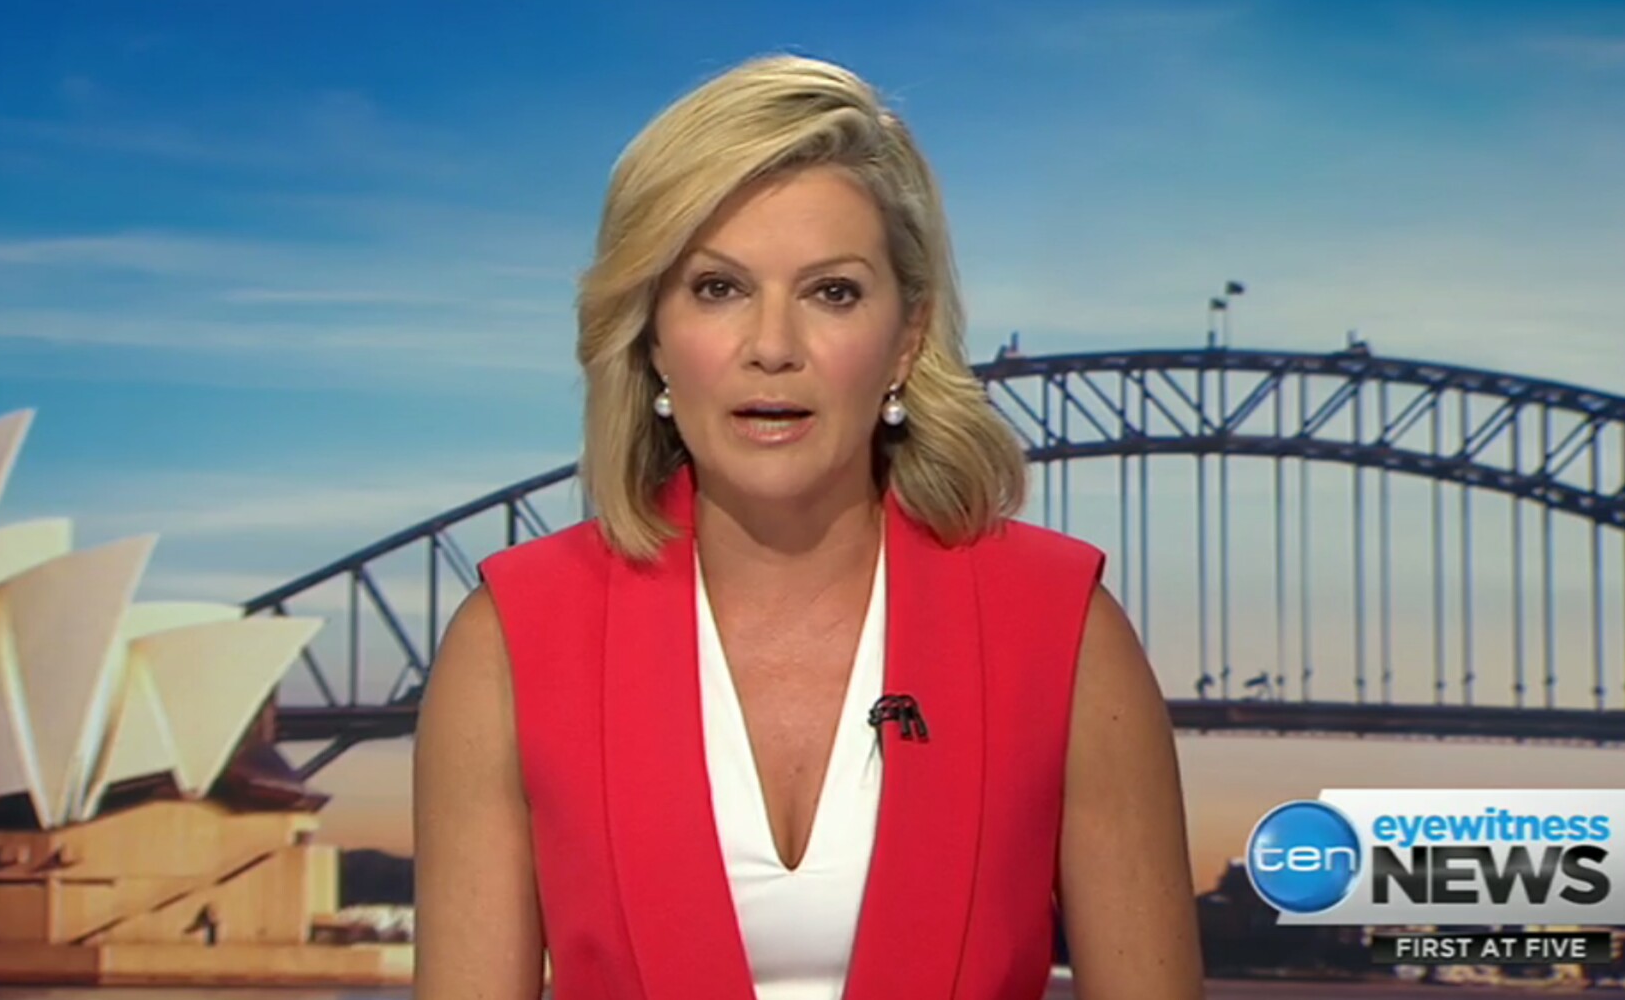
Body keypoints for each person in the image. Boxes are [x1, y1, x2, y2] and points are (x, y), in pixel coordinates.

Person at [413, 53, 1204, 999]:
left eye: (832, 292)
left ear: (906, 338)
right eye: (718, 288)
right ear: (652, 335)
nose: (773, 347)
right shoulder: (512, 642)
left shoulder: (1061, 631)